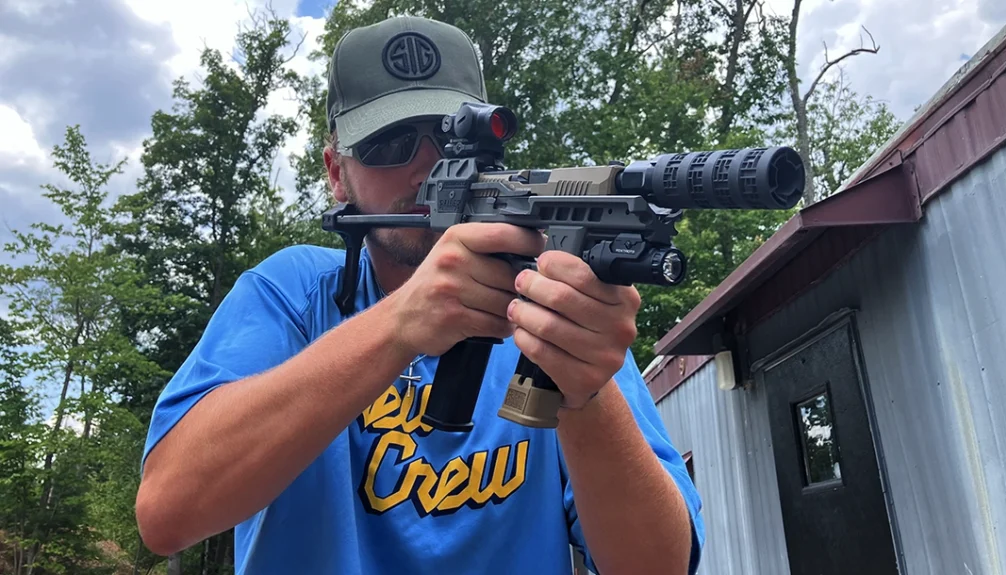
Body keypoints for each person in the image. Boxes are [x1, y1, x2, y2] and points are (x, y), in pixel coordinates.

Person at [135, 15, 705, 575]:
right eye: (390, 143)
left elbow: (658, 567)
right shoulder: (291, 294)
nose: (427, 167)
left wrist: (585, 391)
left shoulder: (555, 305)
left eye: (452, 137)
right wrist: (400, 325)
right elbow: (167, 513)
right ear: (337, 172)